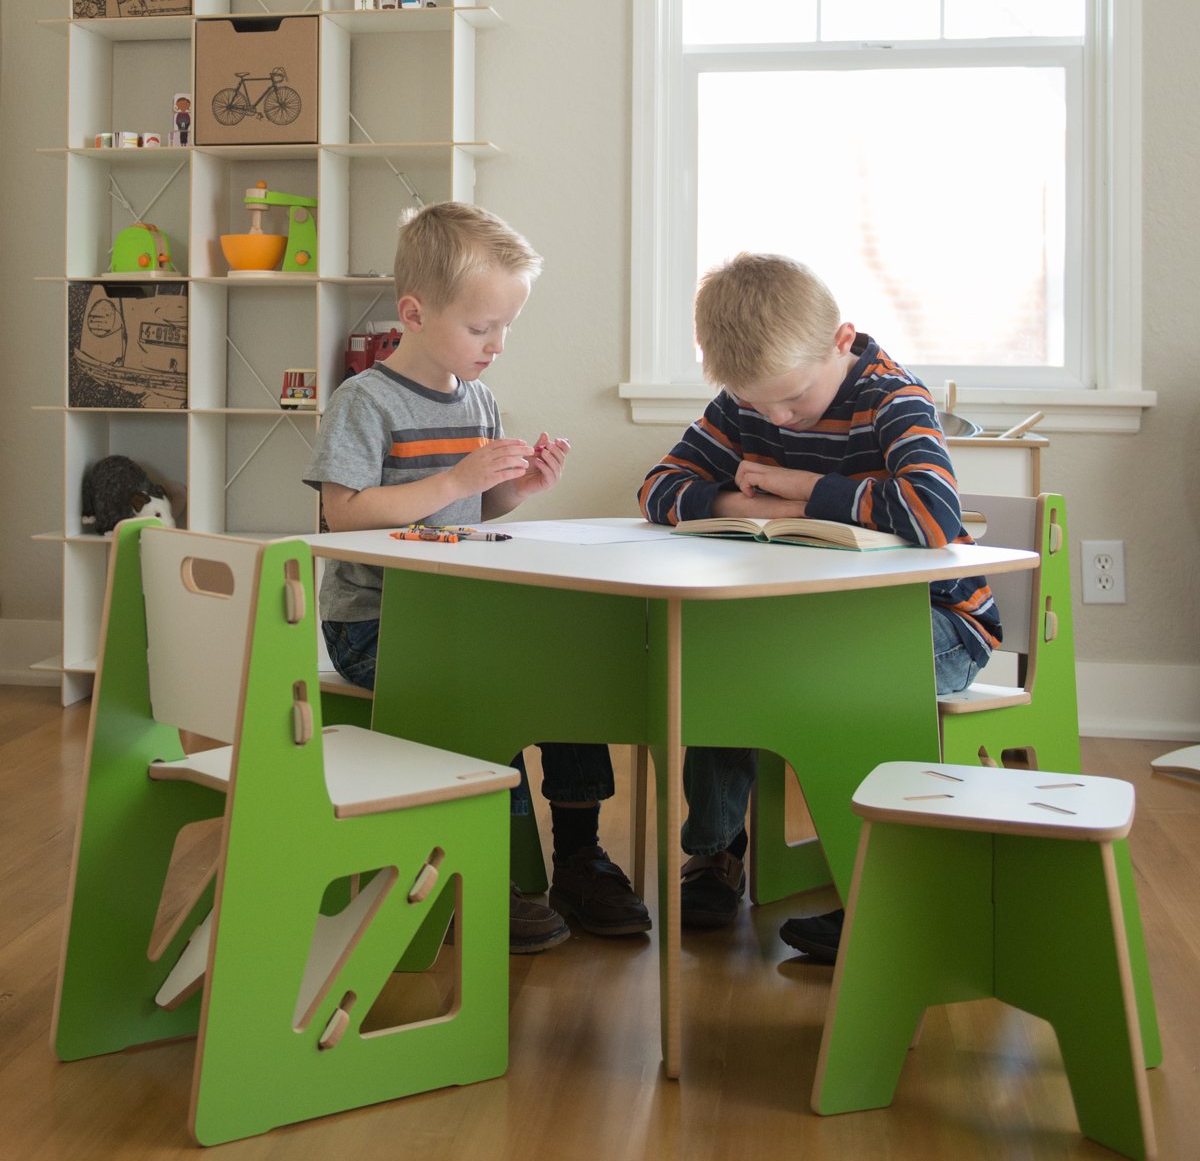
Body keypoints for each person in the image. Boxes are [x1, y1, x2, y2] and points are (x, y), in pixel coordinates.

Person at [304, 201, 649, 953]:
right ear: (414, 313)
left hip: (464, 610)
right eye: (480, 326)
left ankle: (579, 856)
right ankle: (493, 872)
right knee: (495, 687)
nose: (496, 345)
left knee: (566, 669)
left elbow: (479, 505)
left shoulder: (480, 399)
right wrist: (450, 477)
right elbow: (342, 515)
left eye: (506, 327)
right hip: (376, 620)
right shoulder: (364, 401)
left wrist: (520, 487)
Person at [637, 252, 1000, 958]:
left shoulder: (894, 397)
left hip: (937, 624)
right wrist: (735, 499)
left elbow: (930, 513)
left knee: (841, 681)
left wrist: (800, 486)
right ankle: (715, 852)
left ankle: (880, 883)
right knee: (718, 653)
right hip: (803, 623)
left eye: (794, 400)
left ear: (841, 342)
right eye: (756, 404)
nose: (776, 417)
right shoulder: (747, 402)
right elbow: (658, 486)